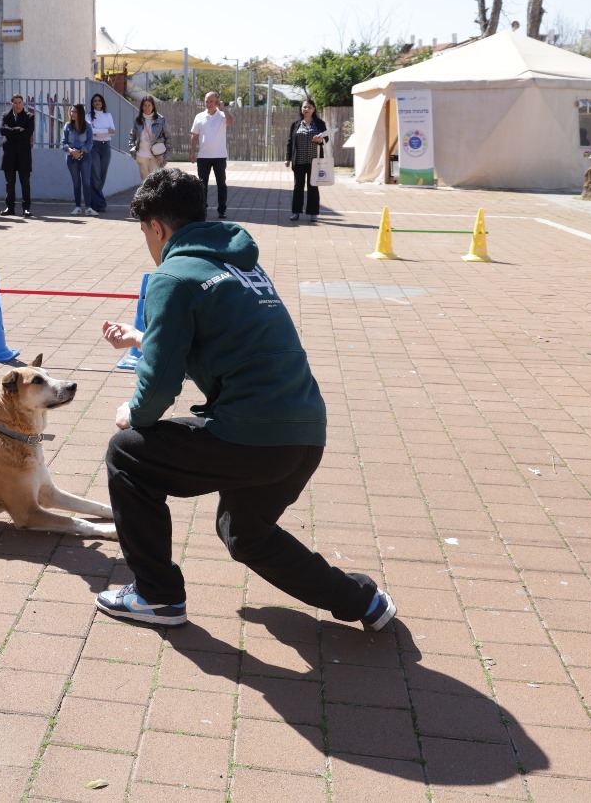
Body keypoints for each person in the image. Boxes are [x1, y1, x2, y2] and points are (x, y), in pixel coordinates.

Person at [94, 168, 396, 632]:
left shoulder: (172, 276)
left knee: (128, 454)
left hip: (251, 435)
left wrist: (133, 413)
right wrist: (141, 338)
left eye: (144, 233)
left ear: (157, 226)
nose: (148, 245)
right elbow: (219, 339)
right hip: (304, 433)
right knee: (246, 534)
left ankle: (157, 596)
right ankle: (363, 600)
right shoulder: (243, 265)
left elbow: (156, 393)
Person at [283, 100, 328, 224]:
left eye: (309, 107)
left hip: (315, 161)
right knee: (298, 187)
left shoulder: (319, 123)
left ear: (313, 109)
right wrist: (288, 158)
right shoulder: (296, 124)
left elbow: (326, 139)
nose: (306, 109)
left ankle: (313, 213)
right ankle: (295, 212)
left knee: (313, 186)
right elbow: (290, 142)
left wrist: (320, 140)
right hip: (299, 160)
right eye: (304, 107)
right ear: (301, 109)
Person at [189, 91, 233, 219]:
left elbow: (231, 121)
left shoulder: (222, 115)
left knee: (221, 184)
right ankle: (203, 209)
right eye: (206, 101)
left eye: (211, 101)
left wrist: (223, 108)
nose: (208, 104)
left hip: (220, 156)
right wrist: (192, 152)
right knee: (202, 185)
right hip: (203, 157)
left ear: (217, 102)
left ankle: (222, 210)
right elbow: (195, 135)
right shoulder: (199, 116)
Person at [0, 93, 34, 216]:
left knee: (25, 183)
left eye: (20, 102)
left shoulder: (29, 117)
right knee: (10, 183)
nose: (18, 105)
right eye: (15, 103)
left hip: (24, 155)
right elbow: (2, 130)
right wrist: (17, 129)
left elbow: (27, 133)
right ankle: (10, 208)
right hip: (9, 155)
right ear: (11, 103)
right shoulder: (5, 115)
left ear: (23, 103)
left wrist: (11, 132)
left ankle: (26, 208)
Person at [86, 92, 116, 214]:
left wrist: (99, 132)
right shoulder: (88, 116)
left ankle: (94, 202)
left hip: (106, 147)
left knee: (102, 175)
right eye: (95, 101)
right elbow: (90, 131)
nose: (97, 102)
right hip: (94, 147)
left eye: (99, 100)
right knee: (96, 175)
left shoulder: (108, 115)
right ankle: (101, 204)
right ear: (92, 104)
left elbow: (113, 132)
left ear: (102, 102)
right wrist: (105, 130)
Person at [62, 103, 93, 214]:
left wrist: (80, 151)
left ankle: (88, 208)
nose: (72, 114)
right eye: (71, 111)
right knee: (76, 182)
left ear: (80, 113)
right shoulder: (67, 126)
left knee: (86, 182)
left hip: (85, 156)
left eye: (75, 111)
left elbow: (90, 143)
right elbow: (64, 143)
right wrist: (71, 151)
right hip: (71, 157)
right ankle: (77, 207)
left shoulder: (88, 126)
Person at [130, 95, 169, 178]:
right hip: (141, 156)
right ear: (142, 107)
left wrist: (166, 156)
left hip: (157, 157)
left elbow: (168, 137)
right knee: (145, 183)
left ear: (153, 106)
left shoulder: (161, 119)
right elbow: (132, 136)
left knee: (156, 182)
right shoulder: (138, 120)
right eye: (145, 105)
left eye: (149, 105)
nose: (147, 108)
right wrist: (133, 150)